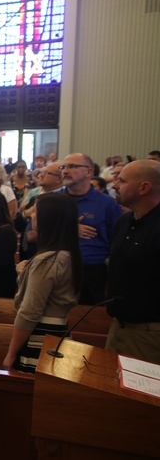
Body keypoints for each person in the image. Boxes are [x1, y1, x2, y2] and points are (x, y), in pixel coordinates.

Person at [3, 193, 81, 373]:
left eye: (36, 211)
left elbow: (30, 312)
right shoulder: (66, 253)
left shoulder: (47, 260)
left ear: (49, 218)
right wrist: (25, 272)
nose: (31, 215)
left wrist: (11, 352)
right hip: (59, 330)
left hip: (41, 334)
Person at [105, 160, 160, 363]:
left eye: (122, 180)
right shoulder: (124, 222)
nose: (114, 185)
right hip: (119, 327)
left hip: (150, 333)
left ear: (144, 188)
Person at [58, 153, 122, 305]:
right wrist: (70, 228)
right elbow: (34, 234)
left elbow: (118, 240)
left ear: (89, 172)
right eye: (63, 167)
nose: (65, 171)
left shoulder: (107, 204)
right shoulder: (52, 200)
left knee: (89, 318)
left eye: (72, 166)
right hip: (57, 269)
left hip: (92, 270)